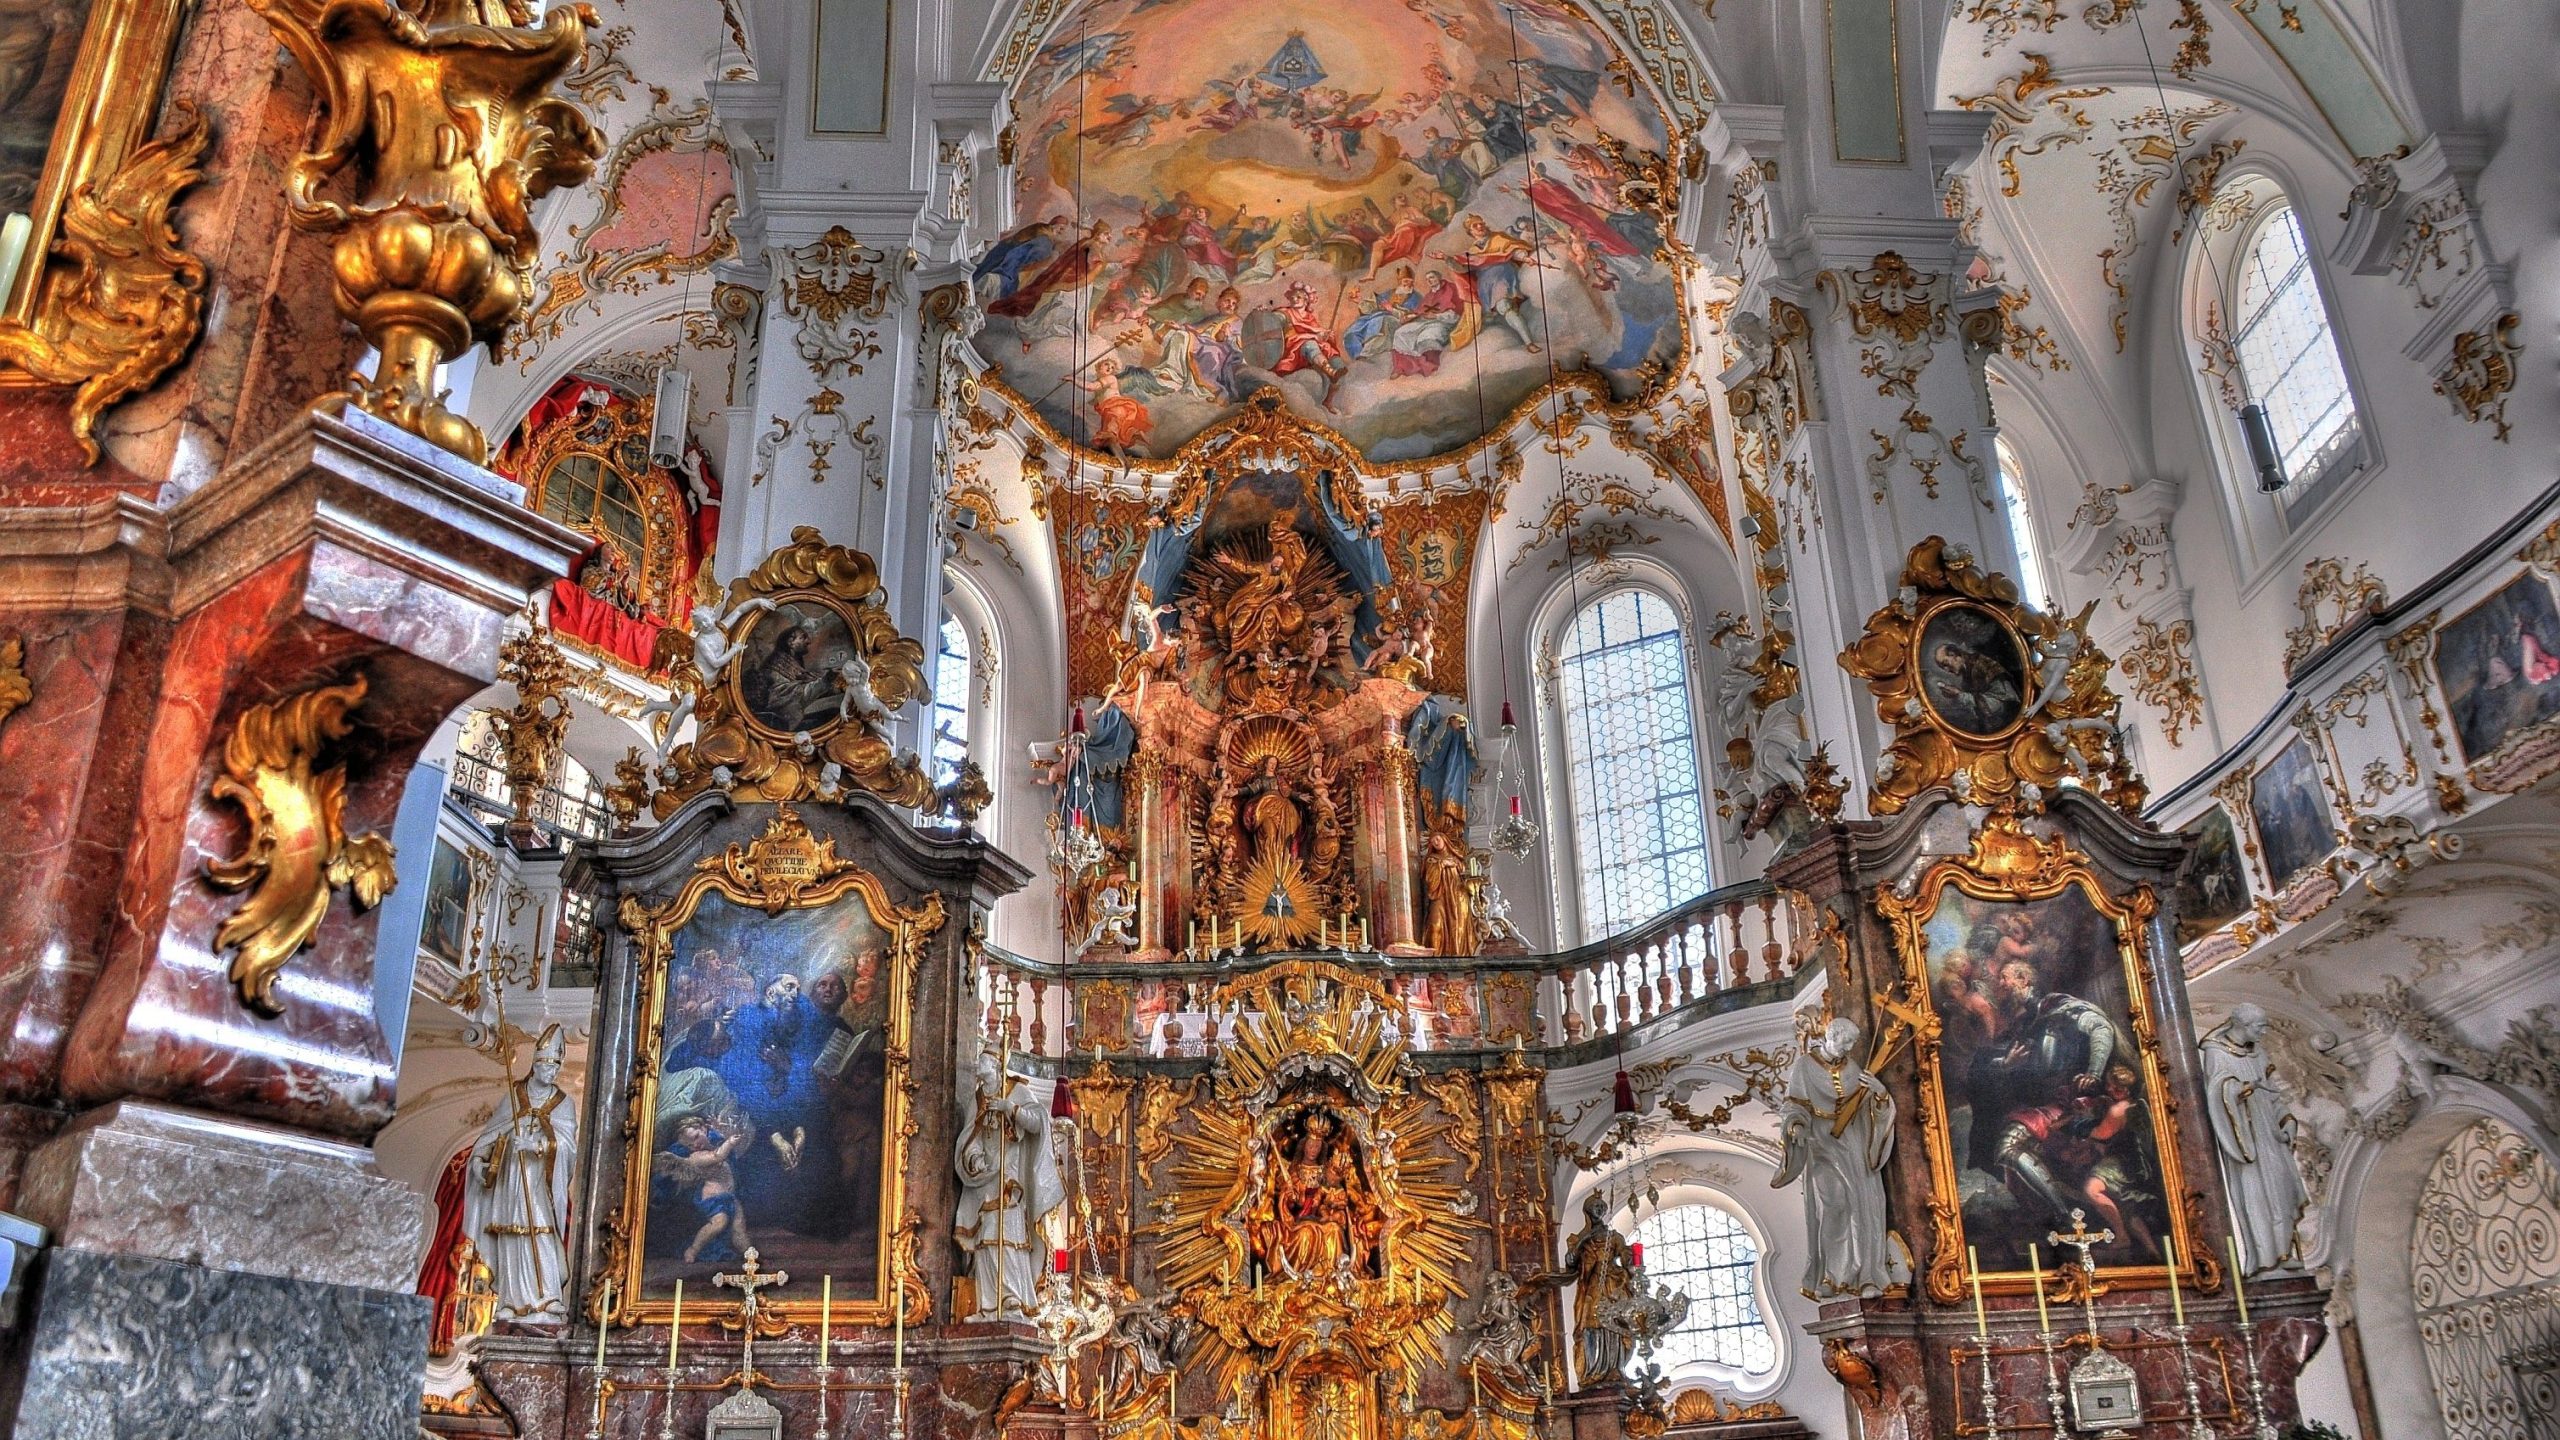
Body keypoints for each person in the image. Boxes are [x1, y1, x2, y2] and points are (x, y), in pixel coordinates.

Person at [1774, 1016, 1909, 1297]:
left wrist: (1881, 1094)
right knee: (1833, 1205)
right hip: (1821, 1143)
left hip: (1854, 1143)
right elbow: (1792, 1105)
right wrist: (1796, 1125)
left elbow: (1870, 1106)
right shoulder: (1804, 1065)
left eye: (1852, 1043)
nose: (1848, 1048)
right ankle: (1832, 1276)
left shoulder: (1852, 1068)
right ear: (1830, 1035)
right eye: (1845, 1041)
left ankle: (1867, 1276)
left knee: (1863, 1207)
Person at [463, 1024, 576, 1323]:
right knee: (511, 1232)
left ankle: (548, 1296)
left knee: (541, 1228)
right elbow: (489, 1136)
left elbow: (568, 1145)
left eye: (555, 1067)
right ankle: (511, 1301)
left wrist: (538, 1145)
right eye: (544, 1065)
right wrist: (479, 1162)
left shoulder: (564, 1103)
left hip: (540, 1180)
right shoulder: (514, 1096)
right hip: (512, 1175)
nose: (549, 1072)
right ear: (535, 1064)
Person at [955, 1045, 1065, 1316]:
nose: (979, 1063)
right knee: (985, 1237)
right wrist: (975, 1158)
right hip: (986, 1177)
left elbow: (1038, 1123)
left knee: (1008, 1232)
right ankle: (988, 1303)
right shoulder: (978, 1098)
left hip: (1011, 1175)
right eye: (979, 1058)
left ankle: (1013, 1297)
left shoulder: (1017, 1090)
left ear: (997, 1065)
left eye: (985, 1059)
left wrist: (1010, 1108)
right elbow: (971, 1137)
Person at [2201, 1004, 2308, 1273]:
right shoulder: (2216, 1053)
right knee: (2258, 1197)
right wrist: (2245, 1088)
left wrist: (2288, 1122)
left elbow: (2273, 1095)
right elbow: (2217, 1093)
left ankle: (2285, 1253)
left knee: (2283, 1193)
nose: (2263, 1032)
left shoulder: (2259, 1053)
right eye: (2258, 1027)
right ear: (2241, 1025)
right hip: (2247, 1138)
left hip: (2271, 1135)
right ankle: (2267, 1259)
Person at [1547, 1191, 1636, 1388]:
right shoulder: (1577, 1238)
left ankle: (1614, 1368)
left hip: (1612, 1282)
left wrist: (1631, 1258)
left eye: (1602, 1207)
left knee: (1615, 1324)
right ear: (1587, 1210)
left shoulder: (1614, 1237)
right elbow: (1571, 1262)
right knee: (1589, 1325)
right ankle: (1593, 1371)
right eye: (1596, 1207)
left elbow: (1625, 1257)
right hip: (1592, 1285)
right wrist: (1584, 1239)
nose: (1600, 1210)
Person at [655, 1117, 751, 1264]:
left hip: (729, 1197)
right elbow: (717, 1156)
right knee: (720, 1222)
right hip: (713, 1200)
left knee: (739, 1225)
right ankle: (693, 1249)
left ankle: (748, 1253)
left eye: (696, 1137)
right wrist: (730, 1142)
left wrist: (725, 1134)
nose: (695, 1145)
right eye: (689, 1144)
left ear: (704, 1129)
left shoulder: (715, 1144)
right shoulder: (696, 1157)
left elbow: (723, 1146)